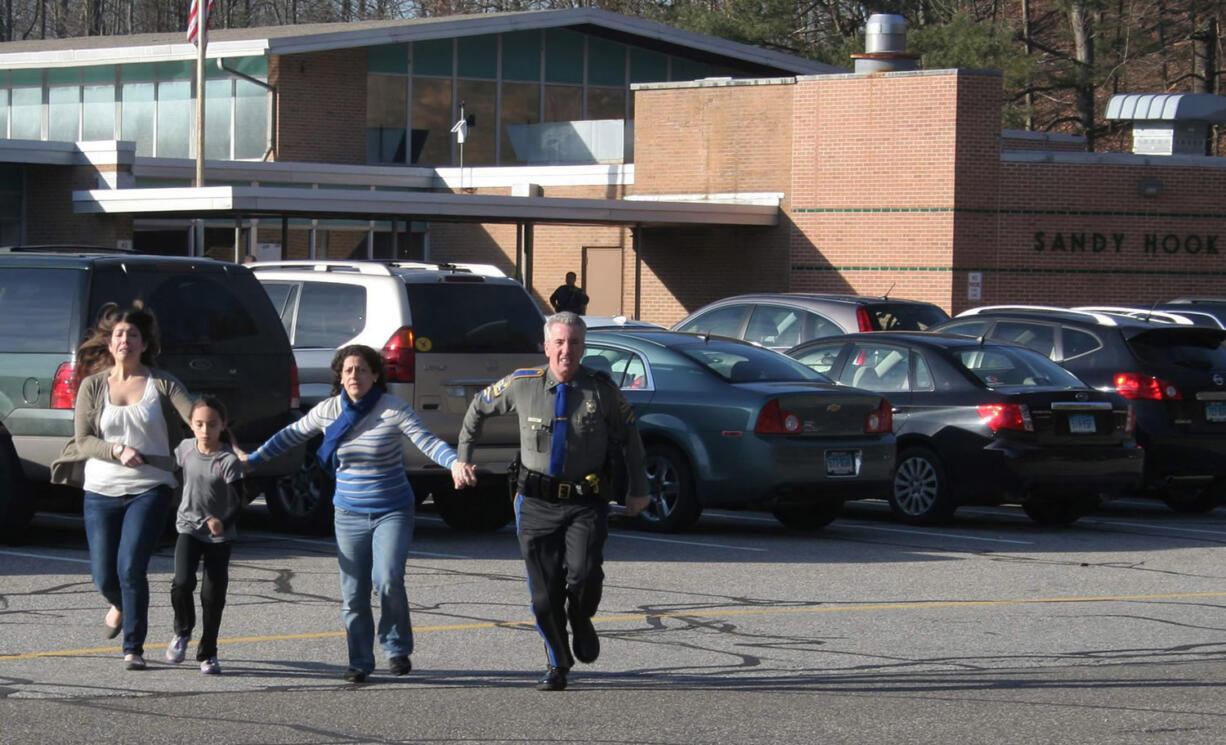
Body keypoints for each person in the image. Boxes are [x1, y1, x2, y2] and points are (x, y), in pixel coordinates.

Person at [240, 344, 475, 683]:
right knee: (353, 593)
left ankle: (396, 647)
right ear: (340, 375)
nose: (355, 376)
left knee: (388, 579)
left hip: (392, 509)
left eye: (362, 370)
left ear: (375, 375)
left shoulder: (392, 409)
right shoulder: (328, 410)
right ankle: (360, 661)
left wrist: (454, 463)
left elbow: (426, 441)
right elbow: (290, 435)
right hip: (348, 512)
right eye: (349, 370)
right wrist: (253, 460)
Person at [455, 311, 650, 691]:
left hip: (585, 502)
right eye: (559, 343)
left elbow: (631, 439)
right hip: (535, 503)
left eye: (574, 343)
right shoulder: (521, 384)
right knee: (544, 595)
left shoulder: (601, 391)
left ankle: (580, 616)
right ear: (546, 346)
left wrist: (638, 489)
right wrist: (464, 457)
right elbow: (478, 408)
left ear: (584, 346)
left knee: (585, 574)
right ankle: (558, 662)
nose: (566, 351)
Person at [50, 301, 195, 671]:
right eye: (119, 335)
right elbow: (83, 440)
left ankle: (134, 647)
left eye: (133, 335)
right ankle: (117, 604)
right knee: (104, 576)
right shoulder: (93, 386)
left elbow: (193, 416)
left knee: (131, 568)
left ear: (144, 343)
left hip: (150, 487)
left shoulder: (161, 382)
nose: (125, 341)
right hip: (100, 490)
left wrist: (211, 433)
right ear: (110, 343)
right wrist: (116, 449)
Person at [165, 396, 244, 675]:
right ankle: (182, 631)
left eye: (211, 424)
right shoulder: (185, 449)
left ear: (222, 425)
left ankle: (208, 652)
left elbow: (238, 500)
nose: (205, 430)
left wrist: (222, 521)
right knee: (182, 583)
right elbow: (168, 473)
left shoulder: (227, 460)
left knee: (212, 595)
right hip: (188, 526)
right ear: (191, 425)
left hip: (218, 537)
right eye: (199, 424)